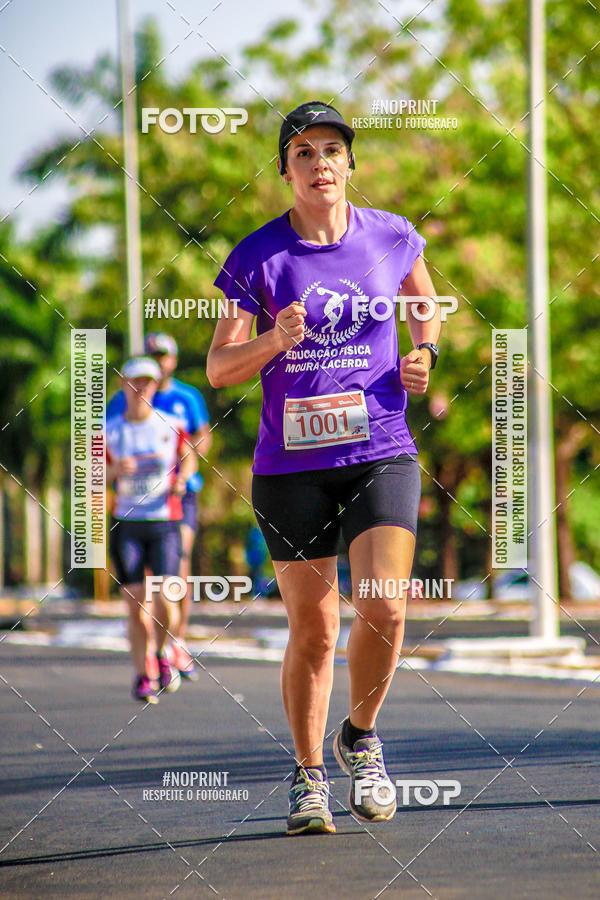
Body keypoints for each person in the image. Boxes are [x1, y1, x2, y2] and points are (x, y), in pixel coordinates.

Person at [207, 100, 441, 835]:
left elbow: (425, 302)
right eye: (303, 153)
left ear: (349, 163)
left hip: (380, 447)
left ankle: (360, 738)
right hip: (291, 465)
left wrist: (425, 353)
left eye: (331, 150)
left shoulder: (392, 235)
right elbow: (218, 368)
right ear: (286, 171)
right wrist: (273, 342)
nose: (320, 164)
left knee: (387, 605)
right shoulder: (257, 257)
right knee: (314, 629)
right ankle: (309, 778)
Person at [107, 332, 212, 680]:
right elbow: (103, 449)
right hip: (132, 507)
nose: (158, 361)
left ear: (173, 360)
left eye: (163, 355)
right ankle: (152, 646)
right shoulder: (120, 402)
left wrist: (184, 467)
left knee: (177, 571)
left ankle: (176, 642)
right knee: (142, 587)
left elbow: (201, 437)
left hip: (178, 497)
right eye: (152, 355)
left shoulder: (186, 397)